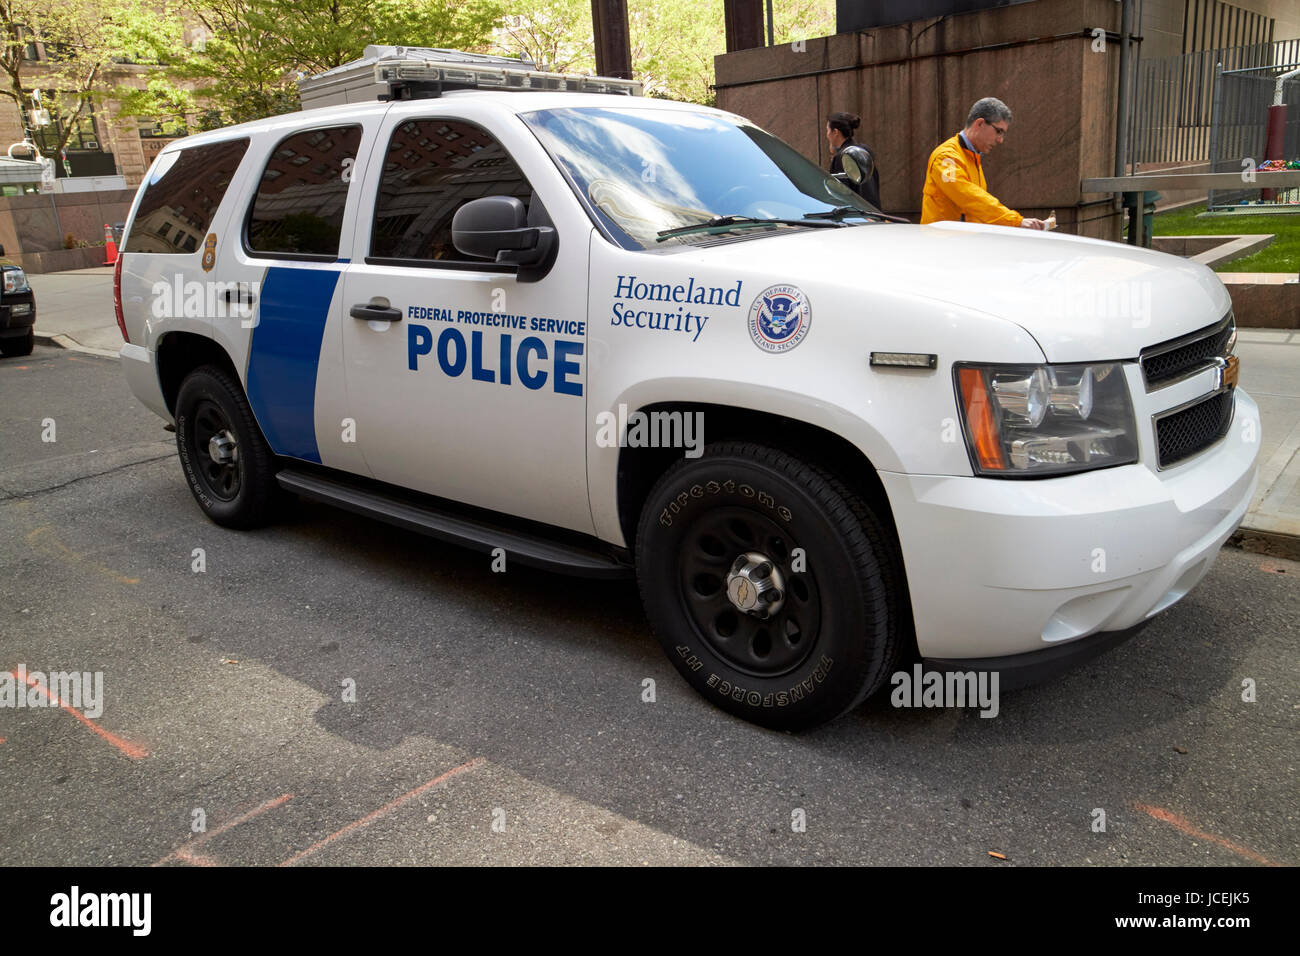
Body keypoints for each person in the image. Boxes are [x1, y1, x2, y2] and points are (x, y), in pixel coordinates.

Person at [921, 97, 1046, 229]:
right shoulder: (946, 157)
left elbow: (976, 208)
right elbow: (969, 197)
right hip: (943, 246)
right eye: (999, 131)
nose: (1000, 140)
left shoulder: (970, 156)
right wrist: (1015, 221)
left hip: (960, 244)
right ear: (979, 123)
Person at [826, 111, 881, 209]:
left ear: (835, 132)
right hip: (874, 212)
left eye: (828, 131)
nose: (827, 135)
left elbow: (841, 195)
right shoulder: (864, 150)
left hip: (856, 216)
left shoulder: (841, 157)